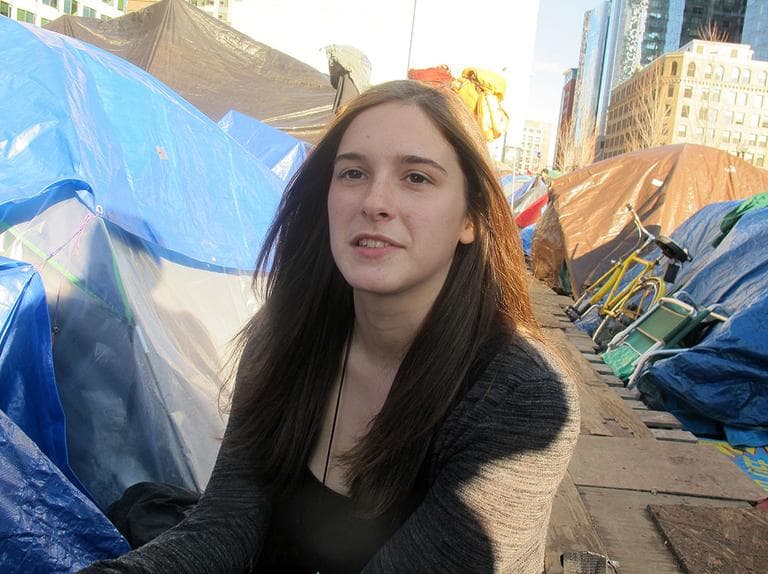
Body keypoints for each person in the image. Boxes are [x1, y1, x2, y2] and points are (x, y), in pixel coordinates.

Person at [82, 80, 579, 573]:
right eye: (354, 173)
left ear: (470, 218)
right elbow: (224, 526)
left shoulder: (522, 396)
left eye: (417, 178)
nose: (375, 202)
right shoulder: (284, 339)